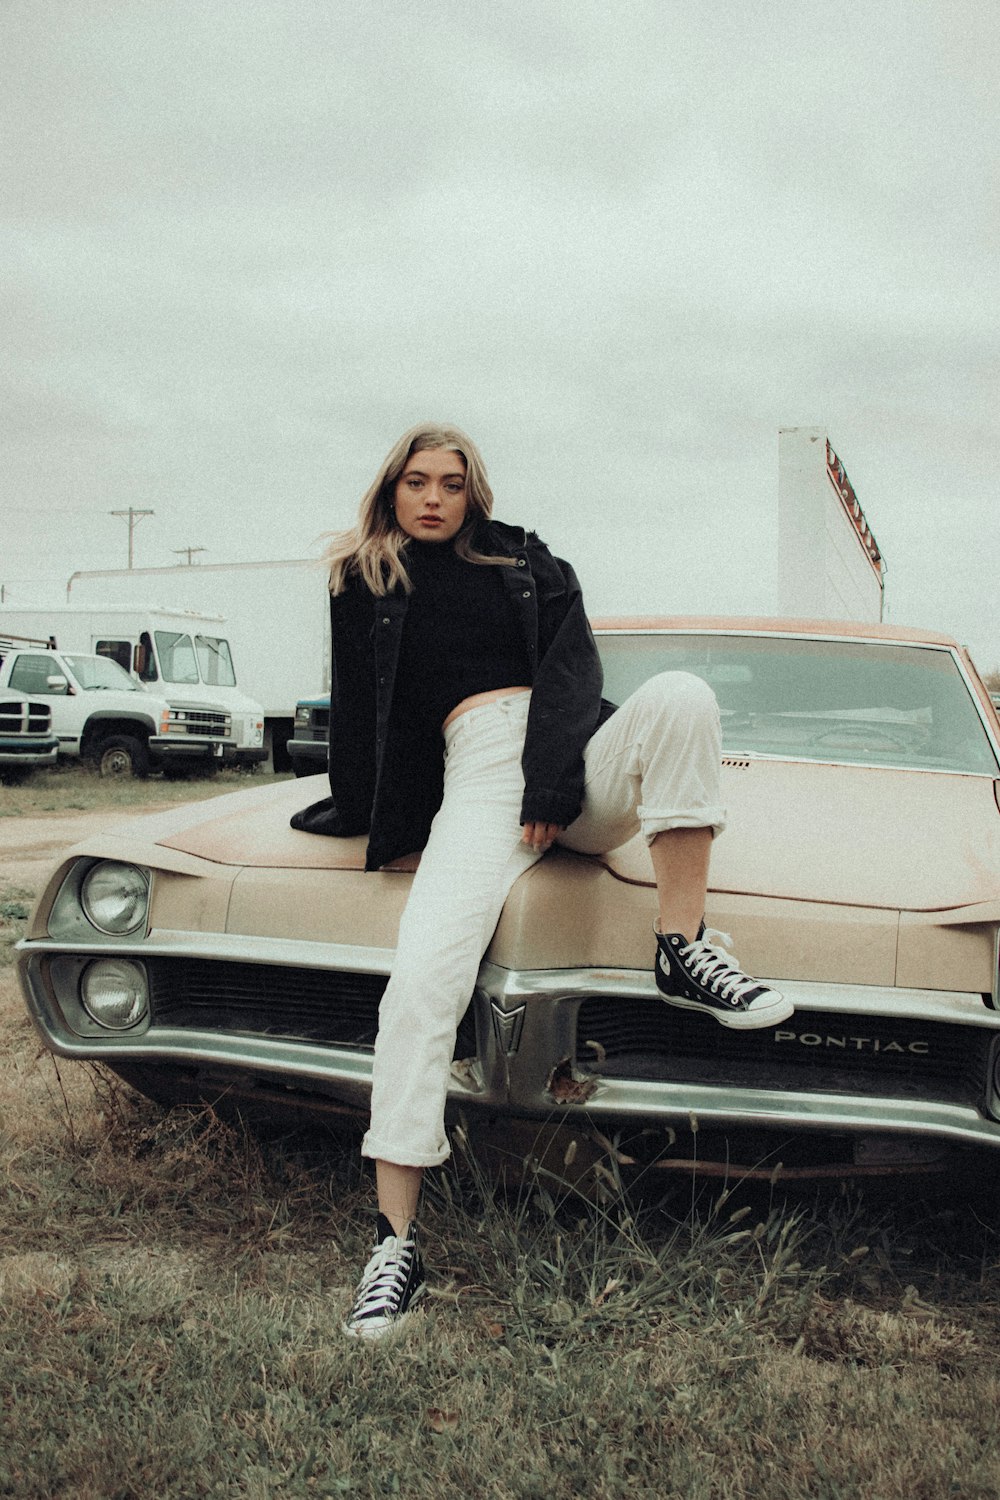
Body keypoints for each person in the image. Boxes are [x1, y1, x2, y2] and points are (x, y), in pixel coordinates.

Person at [291, 422, 793, 1339]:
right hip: (480, 778)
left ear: (474, 491)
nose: (433, 497)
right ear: (392, 492)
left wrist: (556, 776)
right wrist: (378, 822)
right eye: (415, 482)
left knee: (682, 695)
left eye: (450, 482)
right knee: (420, 989)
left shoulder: (526, 560)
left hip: (572, 757)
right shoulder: (367, 577)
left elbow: (576, 669)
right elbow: (366, 714)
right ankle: (394, 1245)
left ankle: (681, 950)